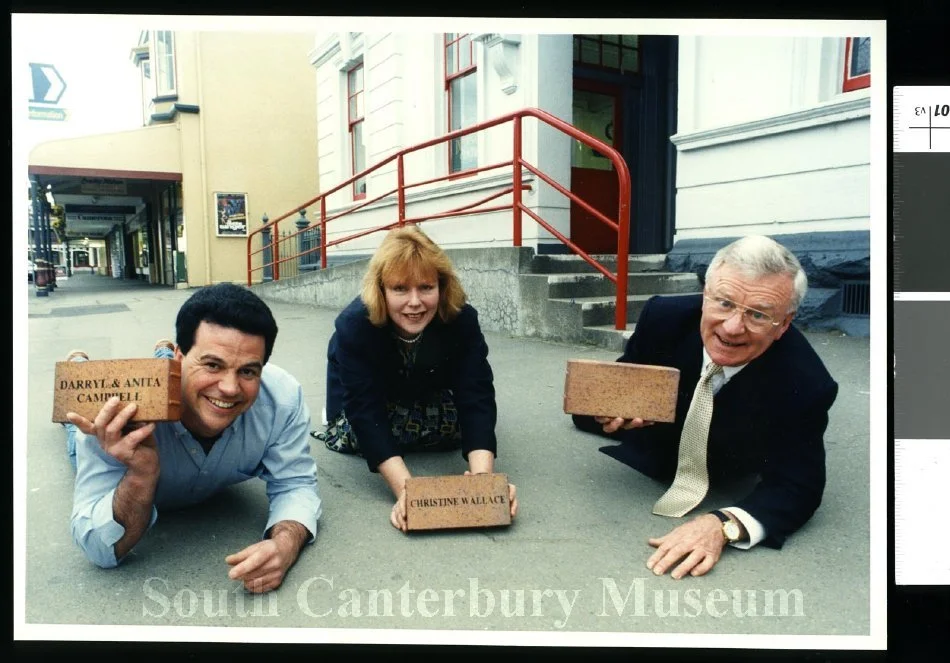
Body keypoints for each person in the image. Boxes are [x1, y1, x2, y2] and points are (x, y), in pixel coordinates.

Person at [572, 235, 838, 580]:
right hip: (654, 453)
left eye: (758, 314)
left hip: (730, 468)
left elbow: (798, 486)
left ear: (783, 324)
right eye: (724, 303)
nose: (732, 328)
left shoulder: (807, 382)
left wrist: (722, 525)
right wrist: (609, 412)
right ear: (704, 296)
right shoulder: (662, 318)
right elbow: (616, 387)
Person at [66, 283, 321, 593]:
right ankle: (77, 364)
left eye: (249, 372)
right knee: (72, 428)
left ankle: (170, 354)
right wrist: (140, 475)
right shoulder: (118, 412)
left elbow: (296, 483)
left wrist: (285, 544)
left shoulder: (282, 398)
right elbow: (99, 548)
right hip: (111, 415)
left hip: (173, 371)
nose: (230, 388)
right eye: (212, 365)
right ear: (181, 357)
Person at [314, 224, 518, 531]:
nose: (415, 302)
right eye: (400, 289)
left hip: (423, 390)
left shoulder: (461, 318)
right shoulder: (354, 324)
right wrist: (407, 492)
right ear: (381, 289)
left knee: (457, 424)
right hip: (370, 396)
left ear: (442, 286)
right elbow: (366, 411)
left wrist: (484, 483)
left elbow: (475, 392)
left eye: (425, 287)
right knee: (366, 430)